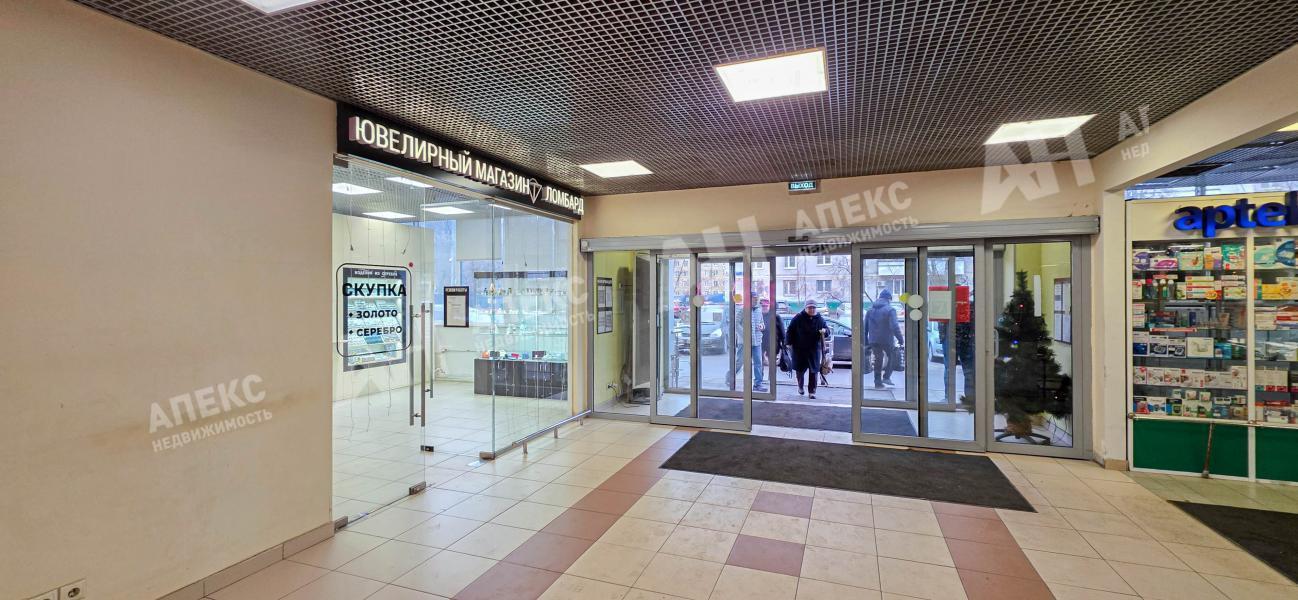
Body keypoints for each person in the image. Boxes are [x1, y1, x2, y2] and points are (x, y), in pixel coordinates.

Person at [786, 300, 828, 399]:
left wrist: (825, 331)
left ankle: (812, 392)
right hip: (800, 349)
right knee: (800, 371)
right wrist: (788, 343)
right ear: (805, 308)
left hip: (814, 350)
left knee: (814, 371)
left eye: (813, 308)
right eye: (809, 308)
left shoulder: (820, 319)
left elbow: (827, 331)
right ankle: (800, 387)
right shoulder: (798, 318)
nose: (812, 309)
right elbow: (790, 330)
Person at [862, 289, 904, 389]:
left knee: (878, 359)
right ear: (889, 299)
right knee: (893, 356)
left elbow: (864, 328)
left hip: (873, 340)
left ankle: (877, 382)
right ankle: (886, 377)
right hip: (887, 340)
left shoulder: (870, 310)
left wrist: (866, 342)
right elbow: (894, 326)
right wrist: (900, 339)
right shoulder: (890, 310)